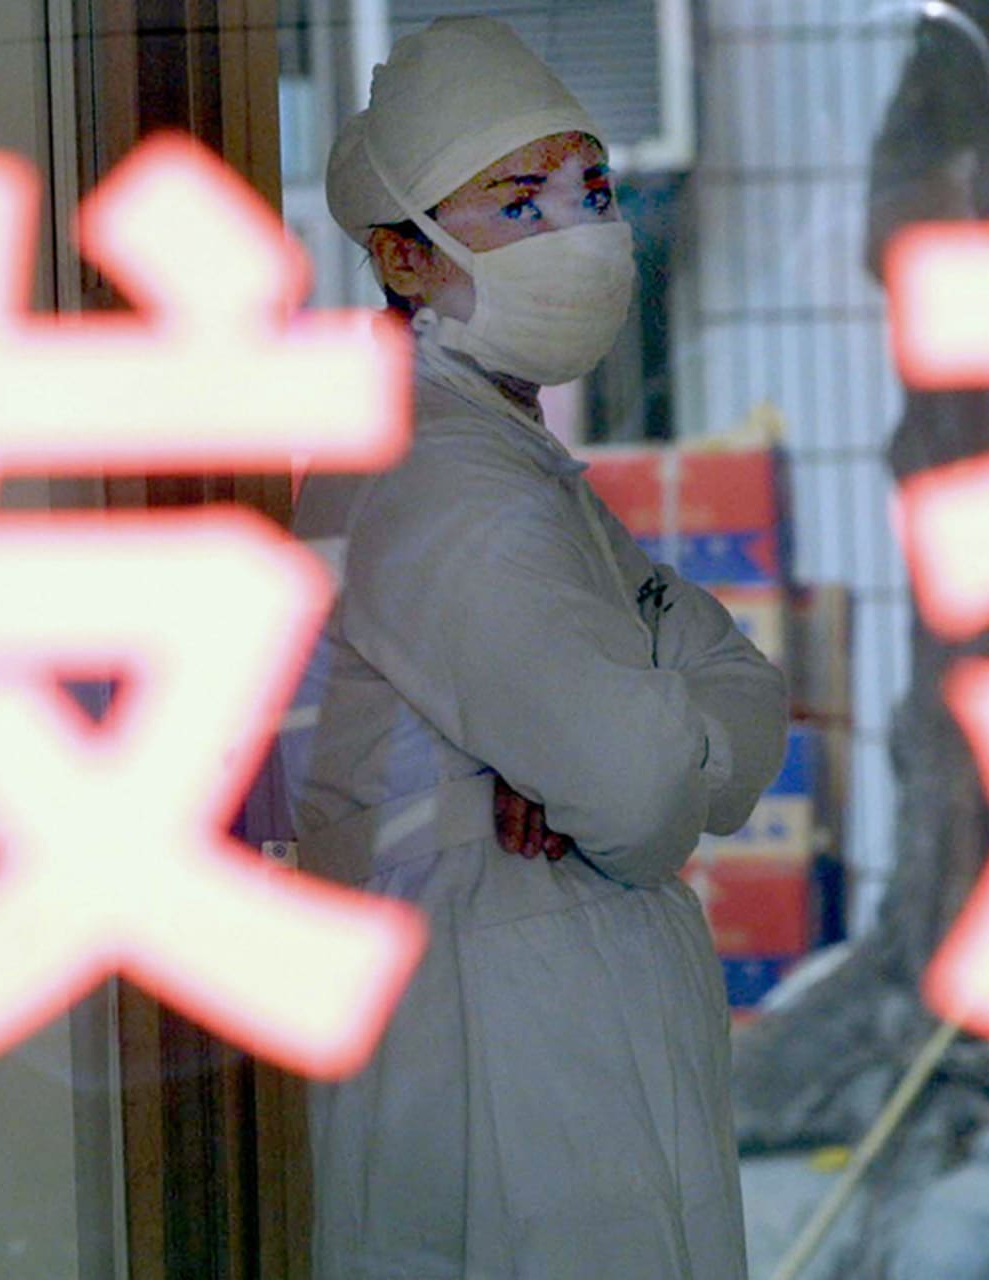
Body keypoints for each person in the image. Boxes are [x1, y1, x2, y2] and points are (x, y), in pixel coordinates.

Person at [296, 17, 789, 1279]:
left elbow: (736, 687)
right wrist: (654, 724)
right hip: (498, 1030)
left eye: (591, 190)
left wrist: (664, 717)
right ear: (406, 255)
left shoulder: (500, 454)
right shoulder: (443, 476)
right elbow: (638, 789)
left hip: (550, 1005)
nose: (579, 232)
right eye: (520, 205)